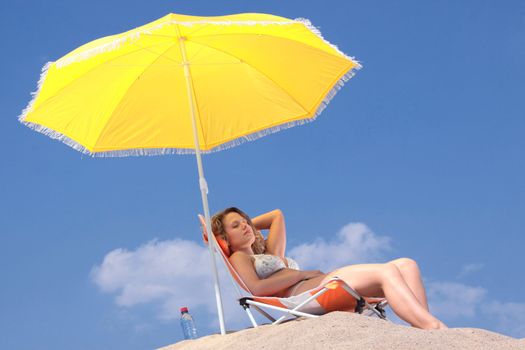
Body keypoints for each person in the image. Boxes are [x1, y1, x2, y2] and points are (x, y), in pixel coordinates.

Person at [210, 207, 448, 330]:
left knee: (407, 265)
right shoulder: (240, 257)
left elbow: (276, 216)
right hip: (311, 293)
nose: (245, 226)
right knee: (388, 272)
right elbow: (256, 287)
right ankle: (433, 328)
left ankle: (424, 329)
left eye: (245, 221)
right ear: (225, 237)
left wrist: (246, 224)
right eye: (236, 225)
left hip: (320, 286)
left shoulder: (268, 255)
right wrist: (302, 274)